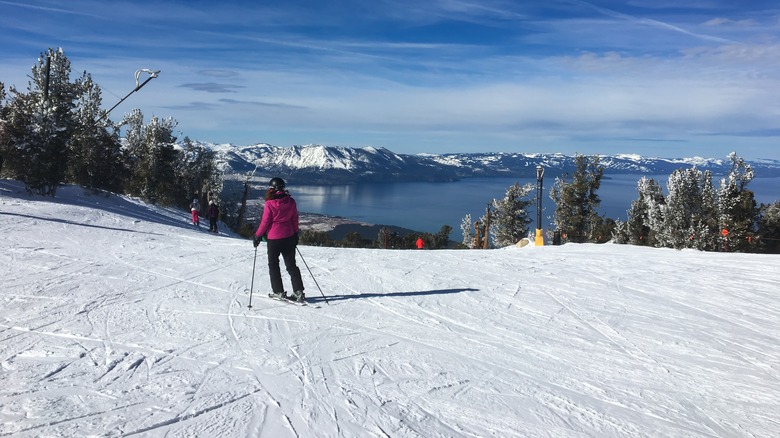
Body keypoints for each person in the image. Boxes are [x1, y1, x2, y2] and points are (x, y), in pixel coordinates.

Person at [253, 177, 305, 302]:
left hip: (274, 239)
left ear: (272, 189)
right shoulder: (291, 201)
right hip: (289, 237)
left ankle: (278, 291)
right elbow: (294, 219)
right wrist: (295, 234)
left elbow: (265, 222)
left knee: (273, 265)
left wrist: (257, 236)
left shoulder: (269, 204)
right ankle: (298, 292)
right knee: (291, 265)